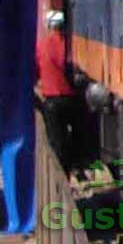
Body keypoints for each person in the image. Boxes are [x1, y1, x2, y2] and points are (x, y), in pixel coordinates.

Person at [36, 11, 79, 176]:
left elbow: (34, 69)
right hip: (71, 98)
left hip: (52, 99)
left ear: (49, 26)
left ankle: (61, 175)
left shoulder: (42, 45)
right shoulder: (71, 45)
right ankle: (75, 166)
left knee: (56, 139)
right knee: (73, 136)